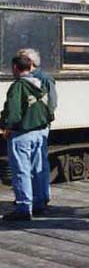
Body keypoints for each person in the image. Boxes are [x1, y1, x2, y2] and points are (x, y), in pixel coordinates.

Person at [0, 55, 53, 220]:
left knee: (21, 171)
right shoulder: (40, 84)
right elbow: (49, 110)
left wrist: (5, 126)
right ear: (30, 67)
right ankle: (40, 202)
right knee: (38, 169)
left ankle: (23, 208)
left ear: (15, 67)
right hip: (39, 132)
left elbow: (13, 113)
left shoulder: (18, 86)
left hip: (22, 133)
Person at [16, 48, 56, 208]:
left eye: (21, 59)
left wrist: (44, 118)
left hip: (39, 125)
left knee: (38, 163)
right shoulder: (27, 78)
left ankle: (42, 196)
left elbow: (52, 102)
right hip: (30, 125)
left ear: (29, 61)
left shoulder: (44, 78)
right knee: (33, 164)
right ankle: (35, 196)